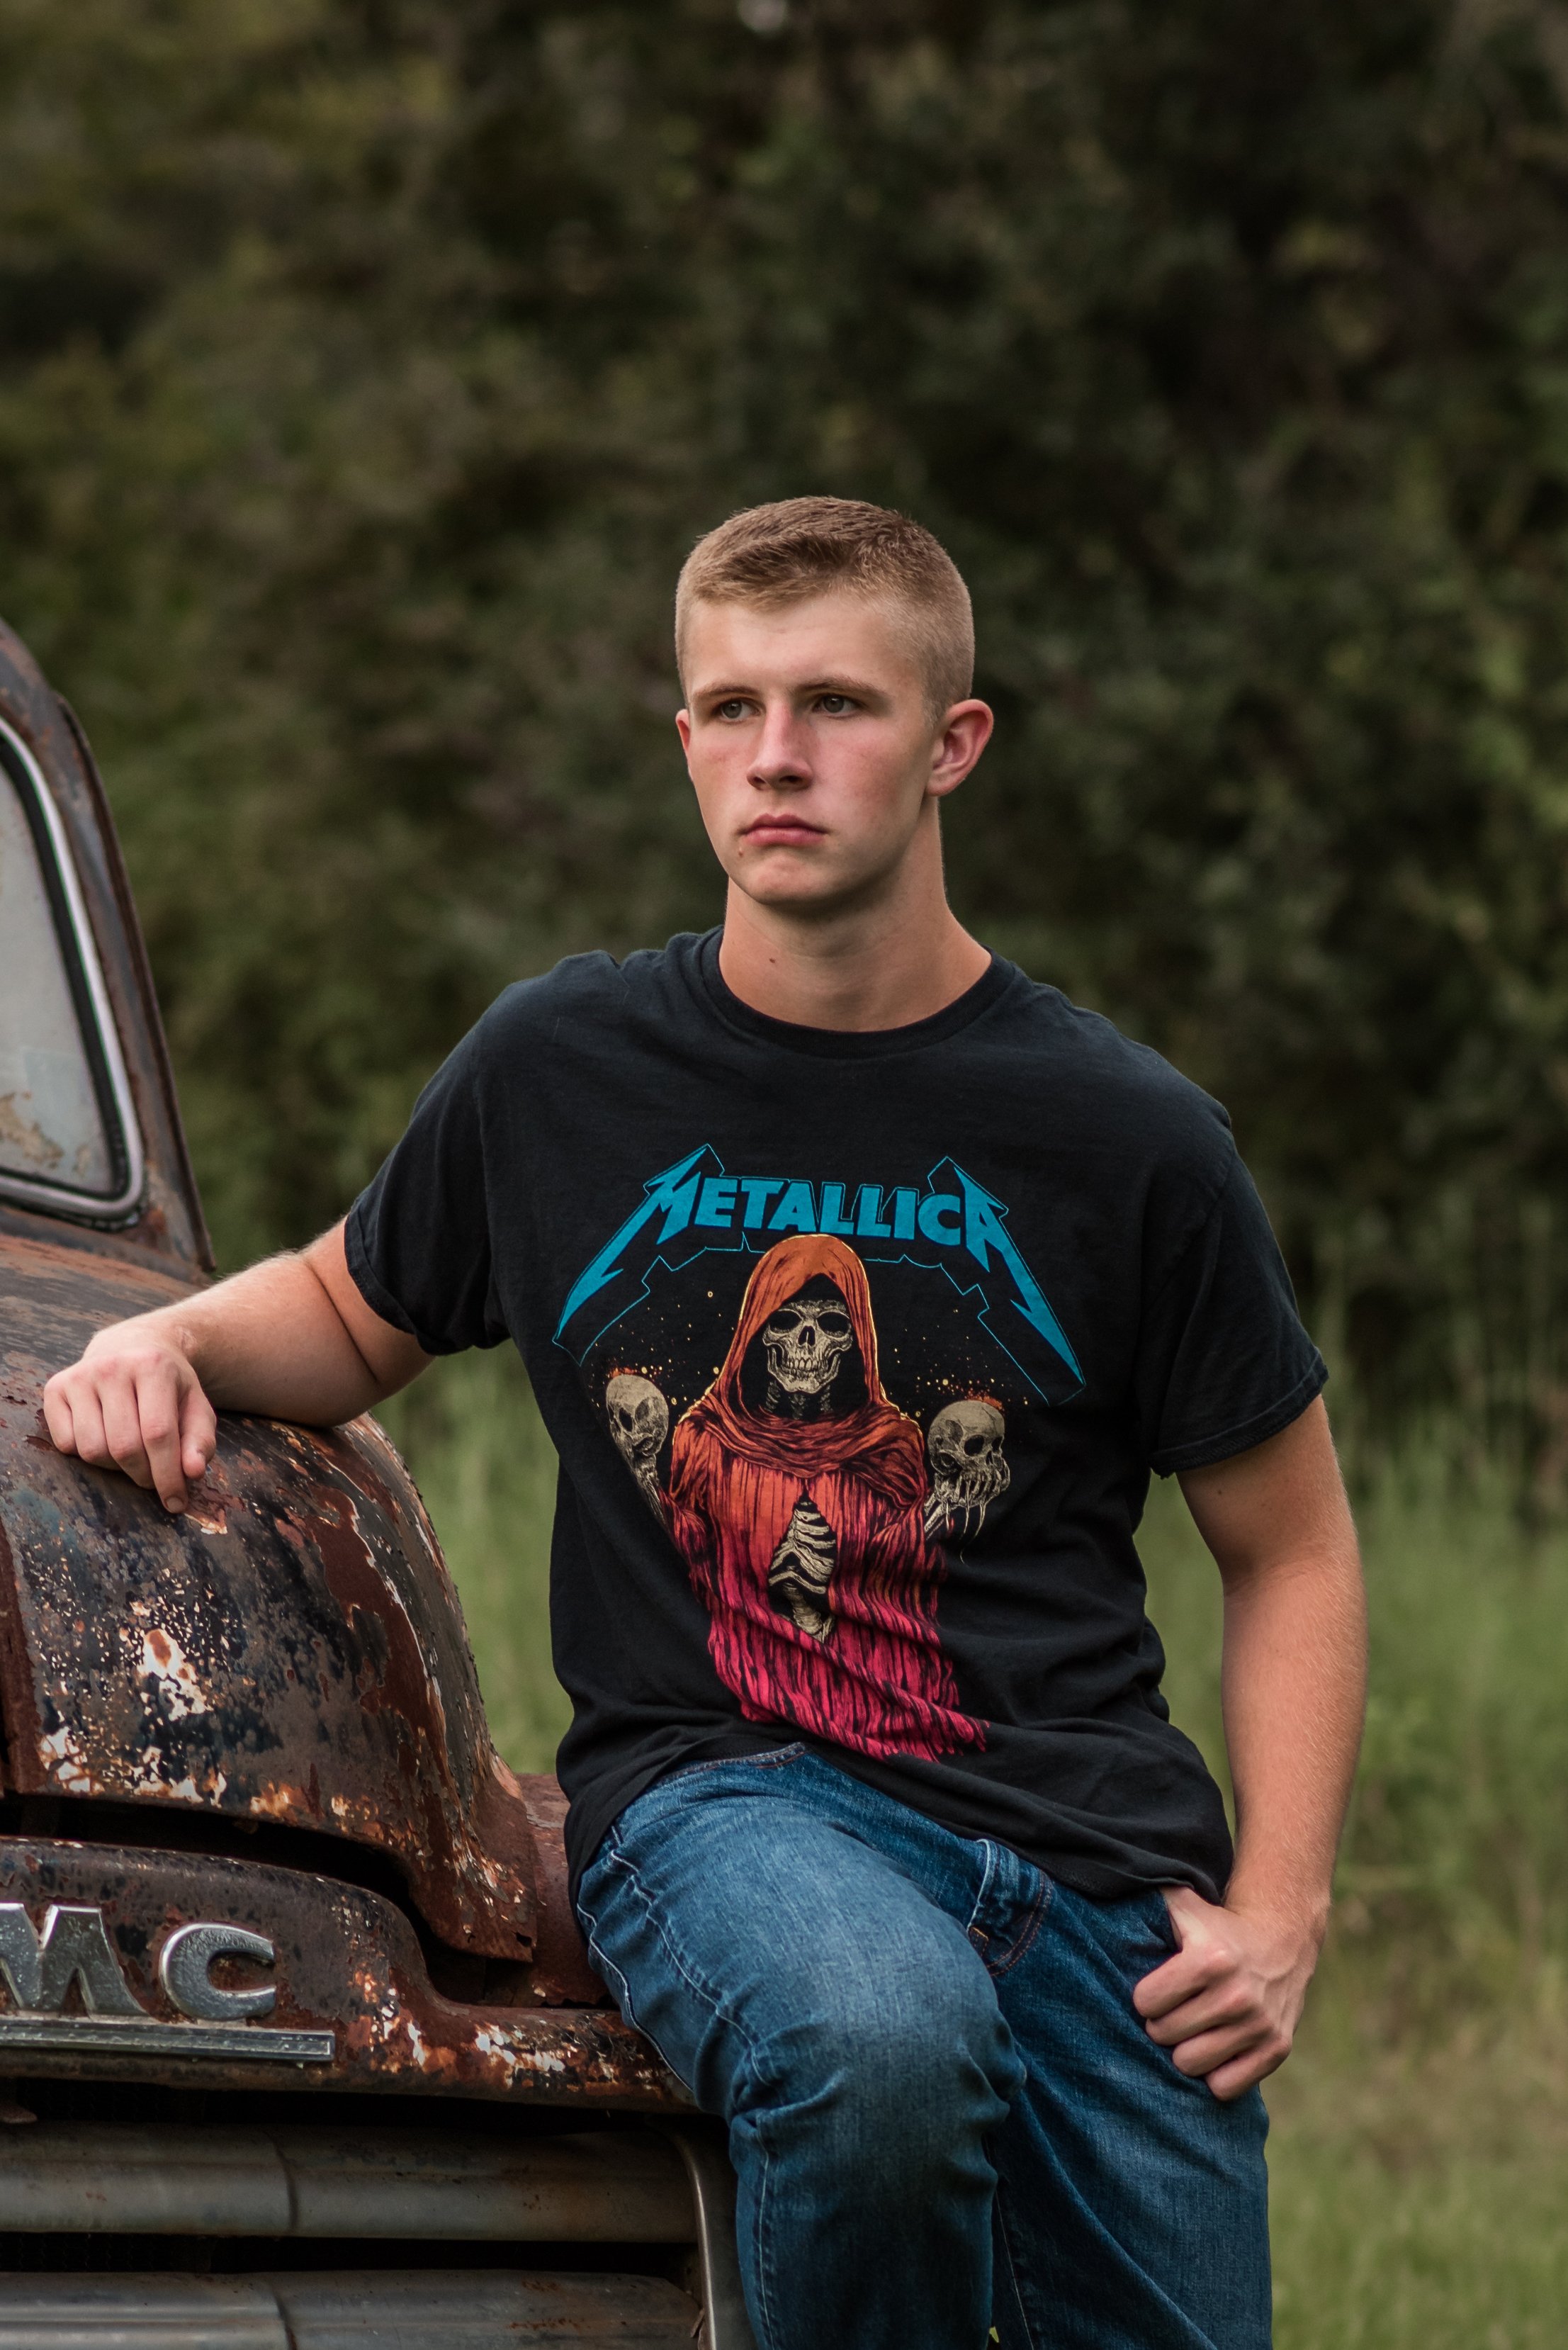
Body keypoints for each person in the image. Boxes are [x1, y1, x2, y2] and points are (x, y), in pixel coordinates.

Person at [44, 497, 1367, 2350]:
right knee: (873, 2032)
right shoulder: (562, 1068)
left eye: (836, 703)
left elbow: (1289, 1541)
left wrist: (1281, 1905)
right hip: (735, 1799)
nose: (777, 754)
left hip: (1087, 1856)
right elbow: (354, 1305)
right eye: (731, 706)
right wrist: (168, 1336)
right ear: (683, 740)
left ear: (951, 744)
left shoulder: (1128, 1138)